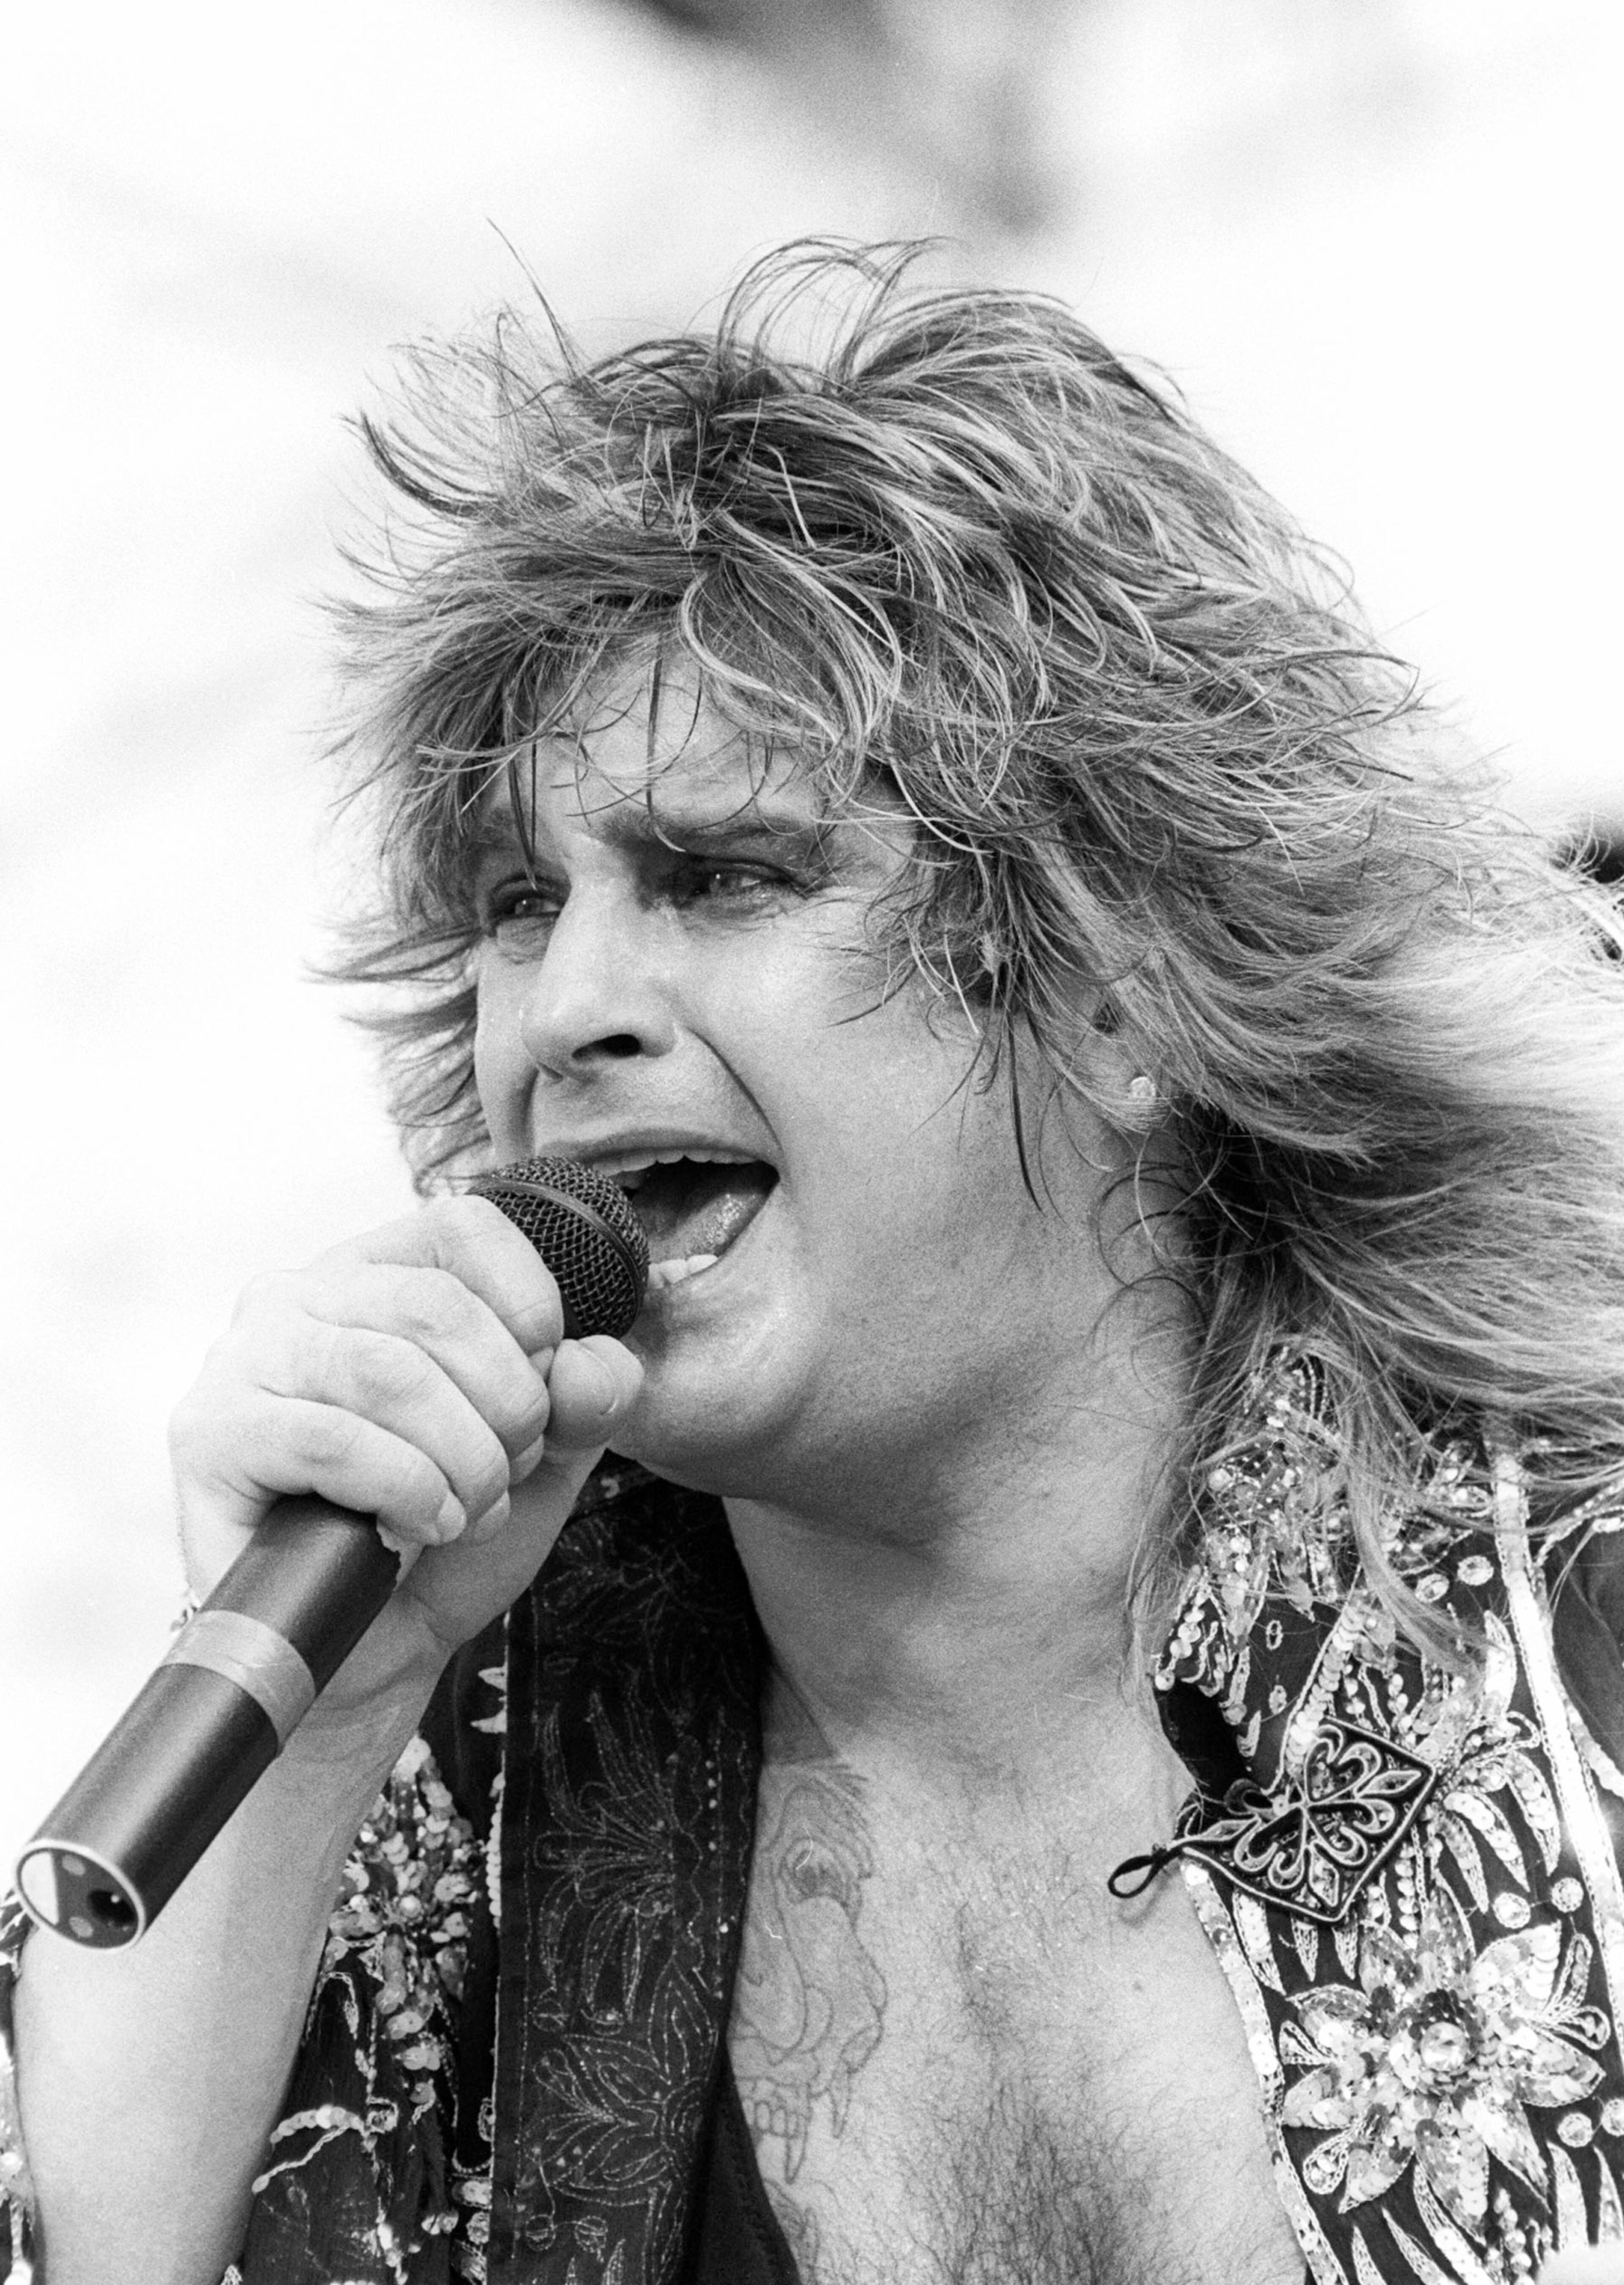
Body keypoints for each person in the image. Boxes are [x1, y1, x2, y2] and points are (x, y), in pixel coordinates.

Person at [3, 240, 1624, 2285]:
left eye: (726, 873)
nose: (566, 1005)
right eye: (517, 902)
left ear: (1121, 986)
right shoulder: (452, 1755)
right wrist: (329, 1713)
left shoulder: (1574, 1614)